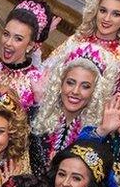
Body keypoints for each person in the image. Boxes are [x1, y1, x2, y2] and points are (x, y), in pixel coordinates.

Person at [29, 43, 115, 175]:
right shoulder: (39, 116)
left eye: (85, 86)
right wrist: (38, 103)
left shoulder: (100, 131)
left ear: (95, 92)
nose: (75, 91)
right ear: (61, 83)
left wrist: (101, 133)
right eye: (70, 82)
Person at [0, 0, 56, 109]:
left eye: (18, 39)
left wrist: (38, 100)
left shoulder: (35, 81)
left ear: (30, 45)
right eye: (6, 34)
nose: (8, 43)